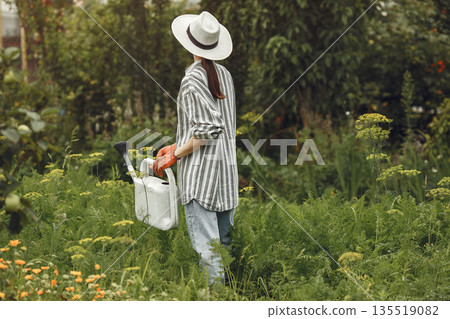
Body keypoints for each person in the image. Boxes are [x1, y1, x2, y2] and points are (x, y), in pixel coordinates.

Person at [151, 11, 238, 284]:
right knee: (222, 248)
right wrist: (175, 146)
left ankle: (217, 303)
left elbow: (209, 131)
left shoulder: (191, 80)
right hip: (226, 176)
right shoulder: (224, 74)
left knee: (208, 252)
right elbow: (213, 127)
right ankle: (230, 296)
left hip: (202, 179)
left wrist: (175, 156)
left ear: (188, 43)